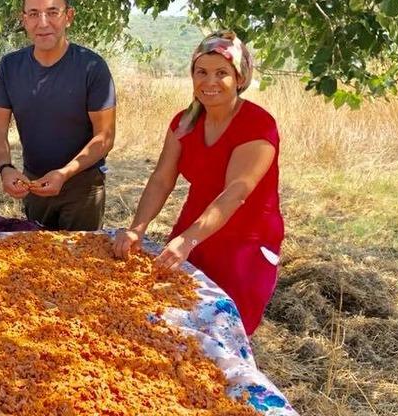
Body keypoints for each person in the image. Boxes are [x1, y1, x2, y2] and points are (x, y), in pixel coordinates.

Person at [113, 31, 284, 336]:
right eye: (201, 72)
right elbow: (162, 178)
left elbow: (236, 192)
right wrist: (137, 227)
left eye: (222, 73)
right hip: (193, 229)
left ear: (240, 78)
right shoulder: (185, 122)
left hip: (245, 245)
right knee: (172, 319)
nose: (210, 82)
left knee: (226, 329)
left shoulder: (258, 125)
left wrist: (189, 239)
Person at [0, 0, 116, 231]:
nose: (43, 22)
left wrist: (65, 173)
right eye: (34, 14)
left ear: (69, 16)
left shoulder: (92, 67)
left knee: (79, 262)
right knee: (39, 262)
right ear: (24, 20)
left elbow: (105, 136)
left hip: (82, 187)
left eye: (52, 12)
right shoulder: (10, 67)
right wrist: (5, 168)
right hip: (33, 184)